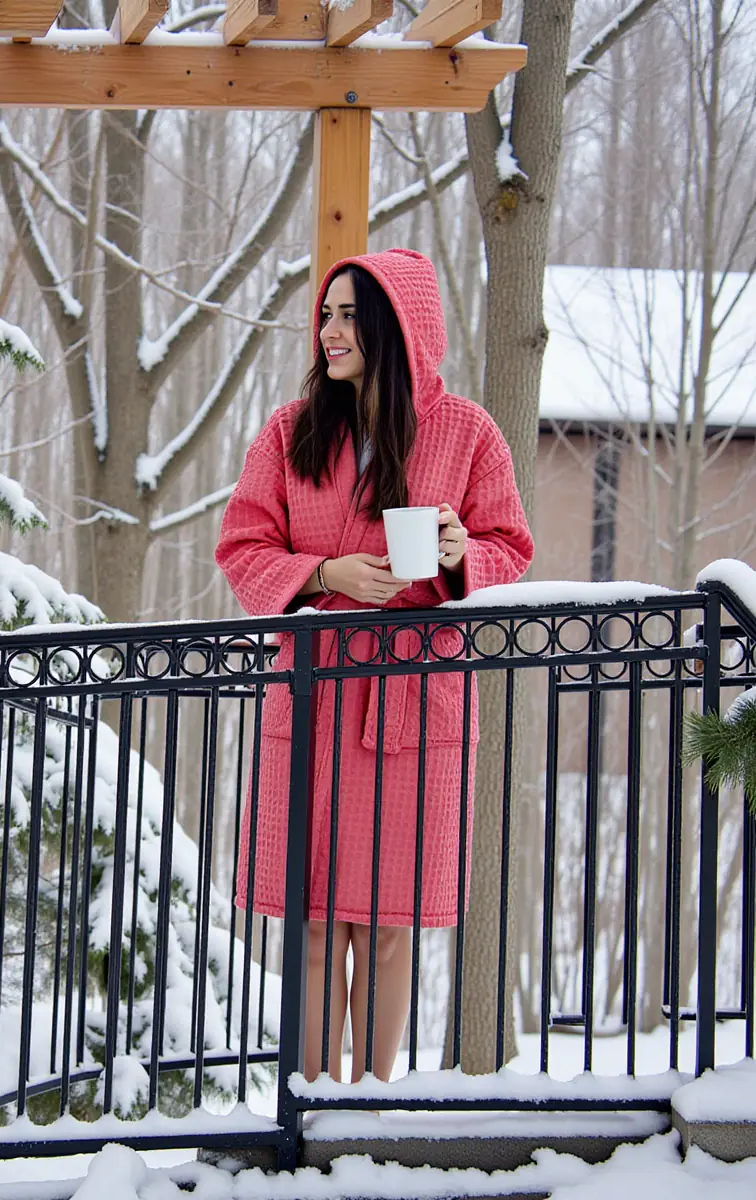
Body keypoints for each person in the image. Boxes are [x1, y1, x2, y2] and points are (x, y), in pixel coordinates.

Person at [215, 249, 533, 1084]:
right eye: (327, 314)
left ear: (400, 327)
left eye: (352, 314)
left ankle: (373, 1103)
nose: (331, 331)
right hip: (316, 690)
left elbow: (512, 547)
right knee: (318, 918)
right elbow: (243, 546)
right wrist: (325, 577)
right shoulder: (291, 432)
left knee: (389, 922)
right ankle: (315, 1107)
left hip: (415, 695)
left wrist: (466, 554)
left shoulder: (466, 432)